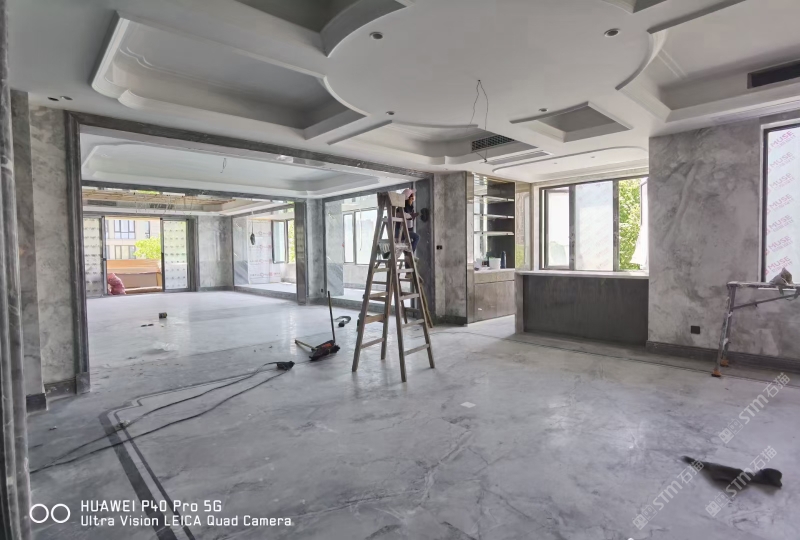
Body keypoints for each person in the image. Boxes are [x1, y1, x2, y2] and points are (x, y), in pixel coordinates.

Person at [398, 188, 419, 253]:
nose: (413, 200)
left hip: (403, 231)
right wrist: (411, 216)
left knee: (410, 239)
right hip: (400, 232)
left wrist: (411, 217)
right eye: (412, 198)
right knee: (416, 237)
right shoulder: (404, 208)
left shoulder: (405, 207)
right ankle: (410, 253)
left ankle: (408, 253)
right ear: (408, 198)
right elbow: (407, 222)